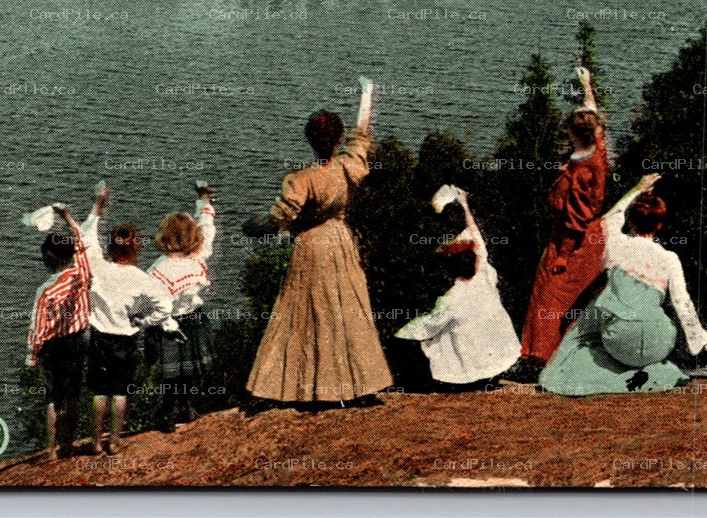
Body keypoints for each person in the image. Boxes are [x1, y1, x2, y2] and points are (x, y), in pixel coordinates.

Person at [246, 77, 392, 406]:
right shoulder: (346, 168)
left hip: (311, 246)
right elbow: (362, 135)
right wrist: (367, 95)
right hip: (340, 242)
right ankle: (360, 387)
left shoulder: (302, 179)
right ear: (338, 139)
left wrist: (252, 227)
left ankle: (284, 390)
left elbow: (278, 218)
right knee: (350, 311)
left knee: (298, 313)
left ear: (310, 140)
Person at [539, 174, 707, 397]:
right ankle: (649, 371)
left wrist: (638, 188)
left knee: (585, 328)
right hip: (658, 341)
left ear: (630, 222)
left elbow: (609, 219)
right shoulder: (670, 259)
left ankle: (611, 372)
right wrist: (700, 344)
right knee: (629, 314)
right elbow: (682, 303)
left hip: (620, 339)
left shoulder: (616, 245)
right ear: (660, 224)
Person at [508, 66, 608, 382]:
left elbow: (576, 218)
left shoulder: (580, 172)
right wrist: (586, 86)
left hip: (573, 242)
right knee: (560, 298)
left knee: (549, 297)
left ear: (574, 135)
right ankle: (544, 356)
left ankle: (538, 361)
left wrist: (563, 255)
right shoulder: (597, 152)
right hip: (587, 238)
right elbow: (595, 120)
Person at [80, 184, 176, 454]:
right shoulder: (142, 279)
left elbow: (87, 237)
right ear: (136, 250)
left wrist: (98, 206)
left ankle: (95, 442)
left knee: (100, 391)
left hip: (99, 336)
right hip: (126, 337)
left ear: (110, 247)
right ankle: (114, 440)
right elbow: (165, 306)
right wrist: (144, 320)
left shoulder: (98, 268)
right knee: (121, 391)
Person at [394, 186, 519, 390]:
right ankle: (488, 374)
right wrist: (465, 206)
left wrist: (402, 332)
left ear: (448, 270)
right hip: (496, 358)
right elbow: (478, 240)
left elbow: (428, 325)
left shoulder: (452, 299)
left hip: (469, 368)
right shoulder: (485, 276)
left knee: (433, 337)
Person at [145, 182, 217, 432]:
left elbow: (153, 304)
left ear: (164, 237)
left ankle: (168, 413)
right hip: (194, 319)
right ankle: (184, 407)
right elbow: (207, 227)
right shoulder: (198, 256)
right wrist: (204, 199)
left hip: (169, 325)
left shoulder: (158, 269)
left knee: (171, 374)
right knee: (190, 370)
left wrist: (154, 326)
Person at [26, 204, 92, 460]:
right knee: (73, 393)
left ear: (47, 260)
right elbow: (82, 246)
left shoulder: (45, 291)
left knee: (53, 396)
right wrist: (69, 218)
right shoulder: (81, 275)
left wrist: (32, 357)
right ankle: (69, 444)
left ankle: (51, 449)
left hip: (54, 347)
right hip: (79, 339)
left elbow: (38, 328)